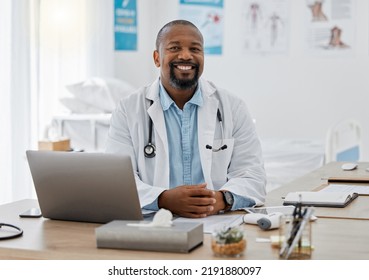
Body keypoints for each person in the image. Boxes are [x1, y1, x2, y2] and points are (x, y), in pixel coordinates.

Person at [106, 20, 266, 218]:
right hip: (154, 223)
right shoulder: (128, 109)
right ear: (157, 58)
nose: (185, 55)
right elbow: (119, 181)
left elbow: (253, 175)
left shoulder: (232, 107)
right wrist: (163, 199)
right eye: (174, 48)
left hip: (217, 224)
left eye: (195, 49)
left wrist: (222, 199)